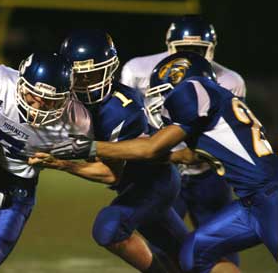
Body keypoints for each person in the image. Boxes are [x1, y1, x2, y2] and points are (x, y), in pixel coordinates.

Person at [52, 51, 278, 273]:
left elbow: (151, 148)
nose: (162, 102)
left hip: (270, 196)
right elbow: (190, 156)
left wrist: (90, 147)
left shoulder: (194, 89)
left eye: (163, 93)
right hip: (250, 203)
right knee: (193, 254)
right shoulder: (216, 106)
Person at [30, 30, 189, 273]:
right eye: (78, 77)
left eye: (92, 75)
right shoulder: (69, 98)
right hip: (134, 186)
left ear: (110, 69)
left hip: (154, 183)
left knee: (109, 228)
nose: (84, 84)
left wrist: (63, 164)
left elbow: (111, 174)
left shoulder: (121, 109)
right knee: (187, 255)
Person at [0, 53, 92, 273]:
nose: (40, 105)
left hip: (18, 192)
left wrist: (63, 164)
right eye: (35, 95)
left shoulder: (78, 121)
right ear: (22, 84)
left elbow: (103, 168)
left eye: (51, 99)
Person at [121, 14, 246, 266]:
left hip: (208, 171)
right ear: (169, 47)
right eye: (184, 49)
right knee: (163, 249)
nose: (190, 56)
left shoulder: (230, 81)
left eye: (197, 50)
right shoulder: (138, 70)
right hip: (164, 173)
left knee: (223, 247)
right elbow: (129, 122)